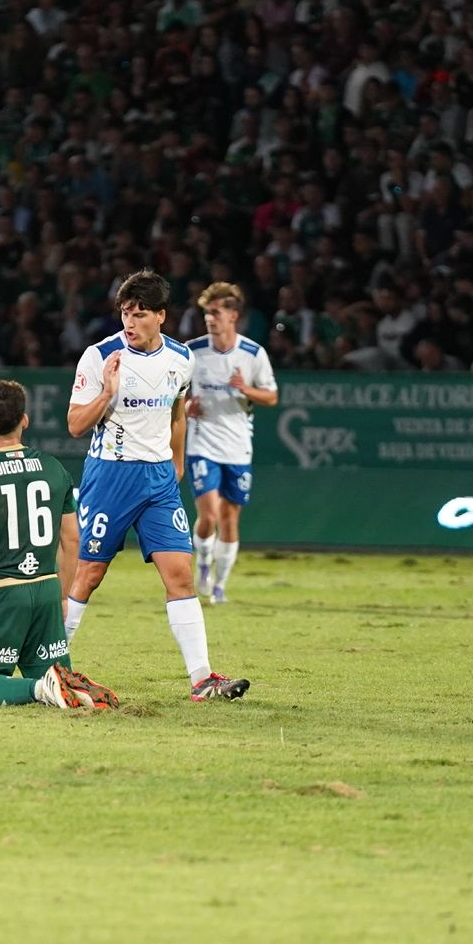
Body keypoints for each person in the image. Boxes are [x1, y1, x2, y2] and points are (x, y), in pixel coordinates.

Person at [64, 269, 248, 702]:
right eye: (125, 313)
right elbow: (74, 424)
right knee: (89, 574)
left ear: (161, 316)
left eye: (140, 314)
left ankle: (202, 679)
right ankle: (53, 665)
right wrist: (107, 395)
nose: (130, 323)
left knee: (180, 575)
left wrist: (177, 463)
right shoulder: (99, 356)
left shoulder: (182, 359)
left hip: (159, 480)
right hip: (110, 475)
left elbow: (178, 411)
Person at [0, 379, 118, 709]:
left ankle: (40, 690)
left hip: (1, 595)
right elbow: (72, 539)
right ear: (25, 420)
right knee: (59, 677)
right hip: (47, 591)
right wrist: (63, 595)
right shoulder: (54, 468)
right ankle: (56, 686)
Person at [185, 282, 280, 604]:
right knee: (209, 514)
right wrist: (186, 407)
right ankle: (202, 563)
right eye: (206, 313)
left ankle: (220, 585)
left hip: (237, 447)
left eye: (215, 313)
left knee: (229, 518)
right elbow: (174, 394)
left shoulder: (253, 354)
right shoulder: (192, 351)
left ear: (233, 317)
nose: (209, 319)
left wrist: (245, 389)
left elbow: (271, 396)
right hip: (202, 444)